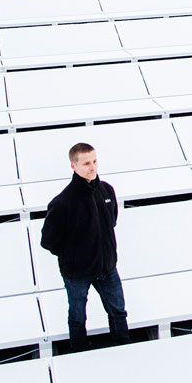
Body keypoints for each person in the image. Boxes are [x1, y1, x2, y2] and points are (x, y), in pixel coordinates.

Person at [40, 142, 132, 350]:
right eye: (86, 163)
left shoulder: (107, 191)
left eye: (95, 161)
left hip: (107, 268)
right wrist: (74, 254)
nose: (92, 167)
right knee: (78, 316)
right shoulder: (63, 202)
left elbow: (111, 222)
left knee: (118, 311)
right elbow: (49, 241)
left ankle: (124, 346)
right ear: (74, 166)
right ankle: (79, 351)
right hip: (77, 273)